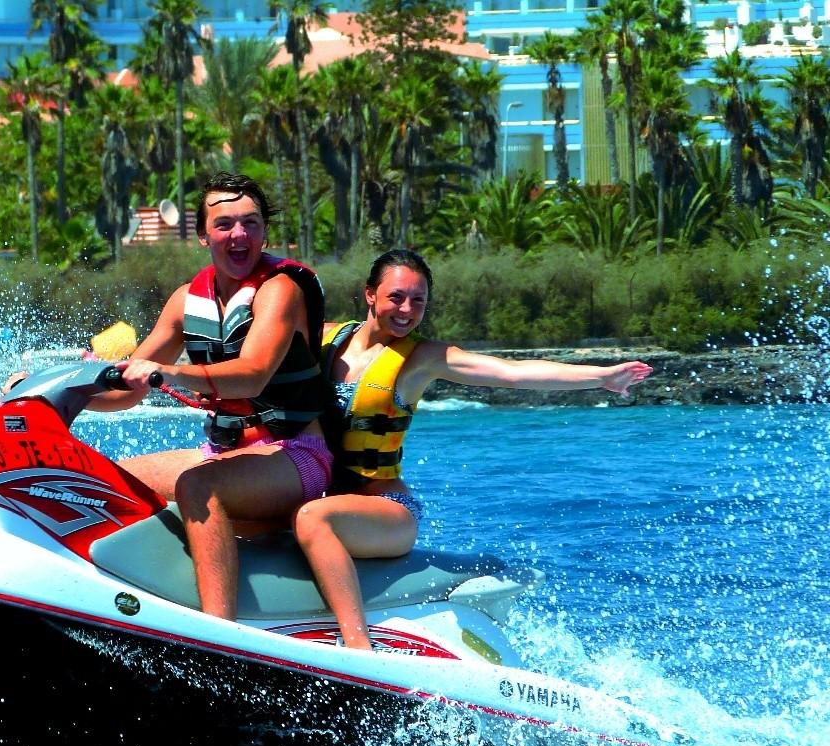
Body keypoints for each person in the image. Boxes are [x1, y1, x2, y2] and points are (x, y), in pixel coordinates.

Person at [297, 248, 653, 650]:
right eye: (396, 296)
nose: (407, 309)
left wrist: (602, 377)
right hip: (323, 491)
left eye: (419, 301)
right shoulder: (322, 338)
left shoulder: (423, 358)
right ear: (369, 295)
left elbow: (511, 373)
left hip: (386, 509)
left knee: (313, 518)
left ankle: (358, 647)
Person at [93, 173, 337, 622]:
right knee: (101, 478)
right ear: (204, 236)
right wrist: (65, 389)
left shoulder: (279, 291)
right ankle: (116, 597)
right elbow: (124, 391)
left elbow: (252, 375)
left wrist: (169, 372)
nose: (239, 234)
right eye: (225, 224)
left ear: (264, 232)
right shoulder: (186, 300)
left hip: (296, 455)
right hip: (225, 453)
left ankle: (219, 632)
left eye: (251, 223)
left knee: (197, 484)